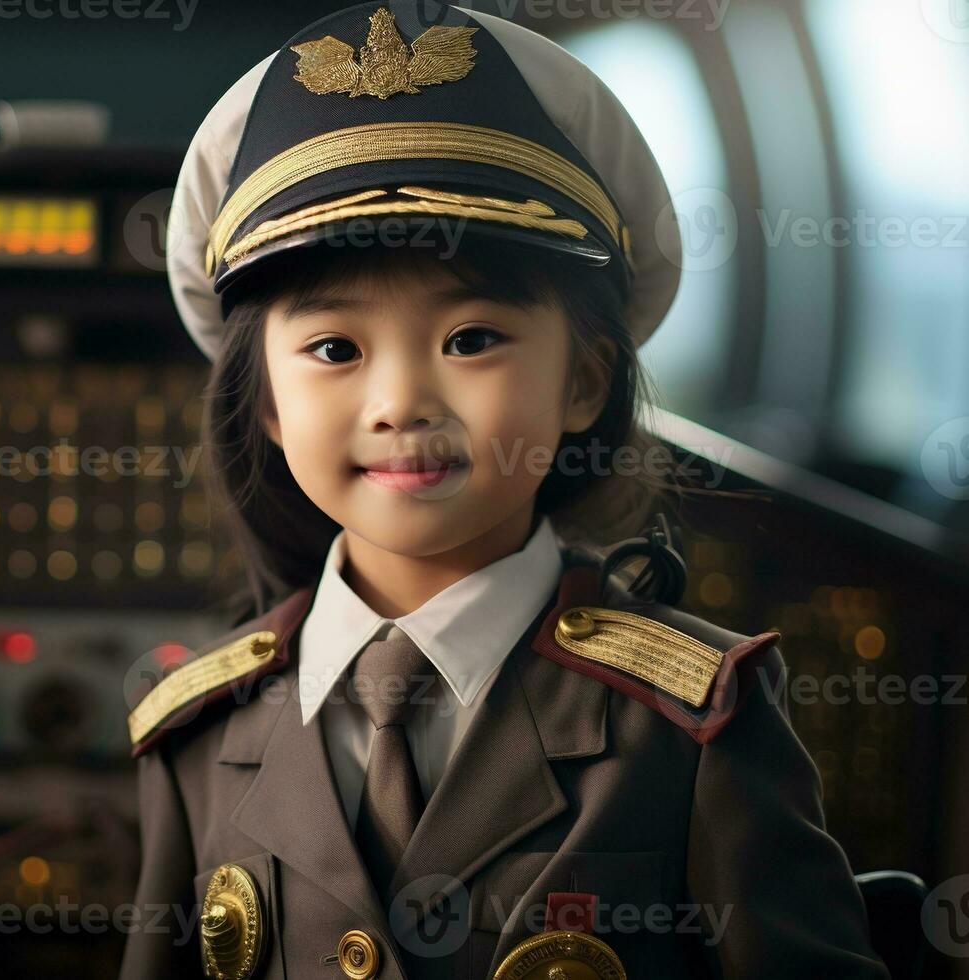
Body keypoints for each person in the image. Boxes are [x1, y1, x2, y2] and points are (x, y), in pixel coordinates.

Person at [119, 2, 888, 977]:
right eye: (333, 348)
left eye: (471, 339)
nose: (400, 402)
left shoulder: (694, 721)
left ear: (584, 382)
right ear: (265, 404)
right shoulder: (199, 727)